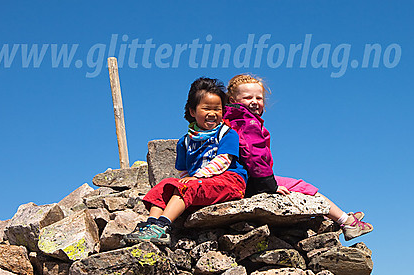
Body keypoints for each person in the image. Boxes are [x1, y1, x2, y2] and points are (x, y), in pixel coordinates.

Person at [224, 73, 373, 241]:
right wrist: (269, 185)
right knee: (303, 187)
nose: (254, 101)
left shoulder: (232, 120)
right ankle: (346, 222)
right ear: (232, 100)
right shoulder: (247, 123)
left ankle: (332, 217)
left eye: (259, 97)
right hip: (253, 180)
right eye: (247, 97)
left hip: (244, 178)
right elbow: (254, 156)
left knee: (298, 187)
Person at [125, 77, 248, 244]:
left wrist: (196, 178)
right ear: (192, 111)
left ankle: (162, 226)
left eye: (217, 109)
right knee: (164, 186)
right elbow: (184, 171)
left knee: (187, 186)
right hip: (200, 184)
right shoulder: (185, 141)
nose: (212, 113)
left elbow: (224, 160)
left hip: (229, 182)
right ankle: (151, 224)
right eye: (206, 108)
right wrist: (190, 180)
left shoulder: (227, 133)